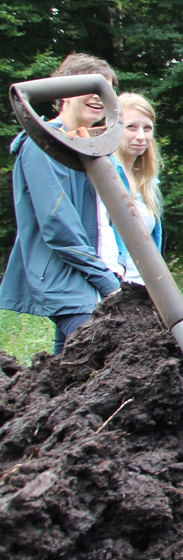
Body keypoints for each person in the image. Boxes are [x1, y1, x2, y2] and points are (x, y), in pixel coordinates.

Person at [1, 54, 123, 352]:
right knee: (106, 355)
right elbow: (58, 224)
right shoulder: (43, 145)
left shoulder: (93, 146)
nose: (98, 96)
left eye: (105, 90)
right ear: (63, 93)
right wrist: (106, 282)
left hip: (99, 275)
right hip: (71, 280)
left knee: (69, 374)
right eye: (90, 87)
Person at [96, 93, 165, 283]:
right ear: (112, 128)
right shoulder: (101, 176)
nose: (141, 136)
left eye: (147, 128)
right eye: (131, 127)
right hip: (111, 288)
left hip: (145, 290)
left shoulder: (149, 185)